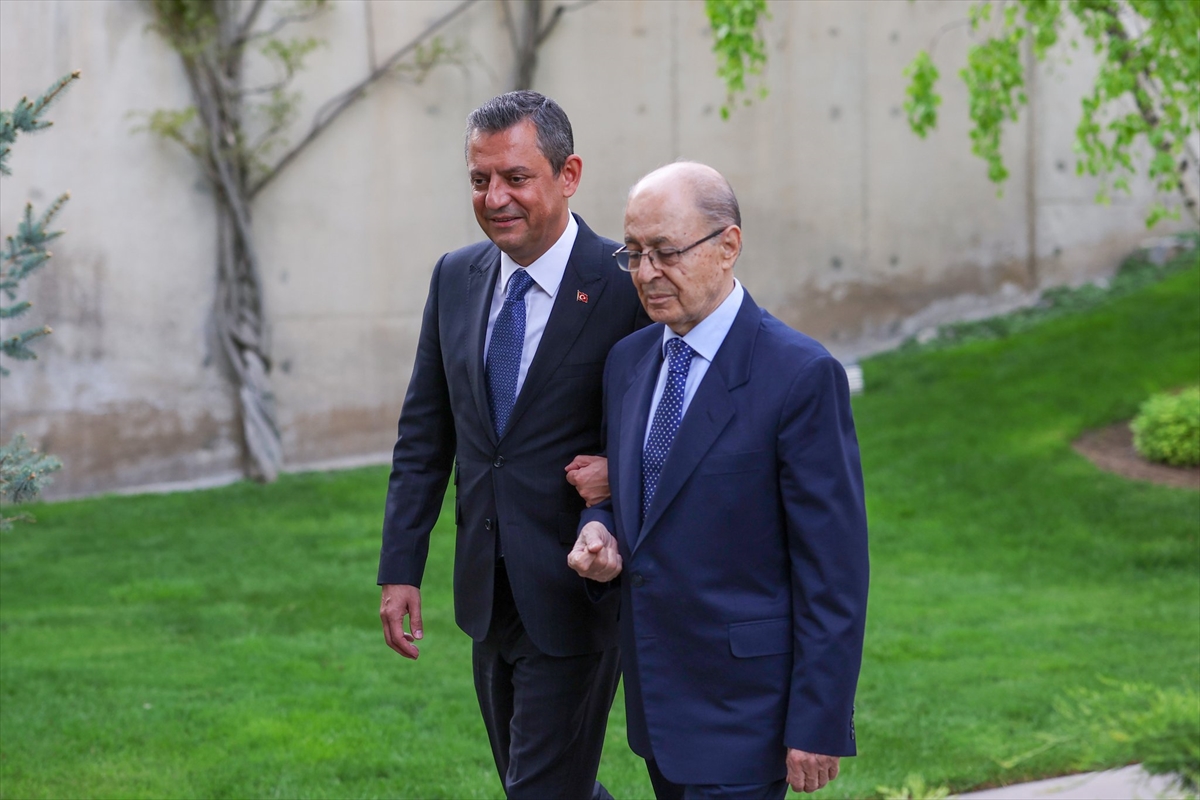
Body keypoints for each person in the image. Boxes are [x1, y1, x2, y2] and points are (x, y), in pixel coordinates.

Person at [568, 162, 870, 799]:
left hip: (749, 714)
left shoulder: (800, 375)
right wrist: (600, 529)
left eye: (666, 251)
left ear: (728, 245)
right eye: (635, 253)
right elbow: (641, 495)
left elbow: (834, 570)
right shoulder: (628, 363)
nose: (647, 273)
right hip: (658, 704)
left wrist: (818, 720)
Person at [377, 91, 648, 800]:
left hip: (579, 591)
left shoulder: (626, 282)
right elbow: (424, 435)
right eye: (480, 179)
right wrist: (401, 568)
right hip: (486, 593)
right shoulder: (454, 278)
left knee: (539, 791)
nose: (494, 197)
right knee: (543, 786)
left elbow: (677, 422)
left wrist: (618, 482)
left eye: (516, 178)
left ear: (568, 174)